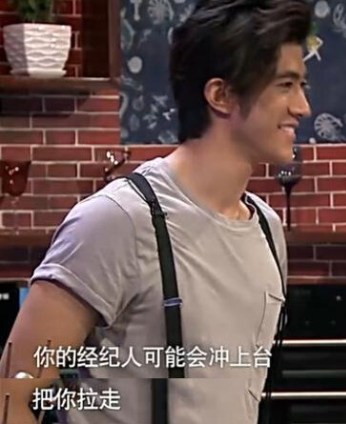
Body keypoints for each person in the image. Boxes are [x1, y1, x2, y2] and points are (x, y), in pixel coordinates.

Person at [0, 0, 312, 423]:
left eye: (301, 85)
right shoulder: (119, 220)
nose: (303, 107)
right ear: (220, 95)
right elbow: (13, 395)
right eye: (285, 85)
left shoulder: (267, 230)